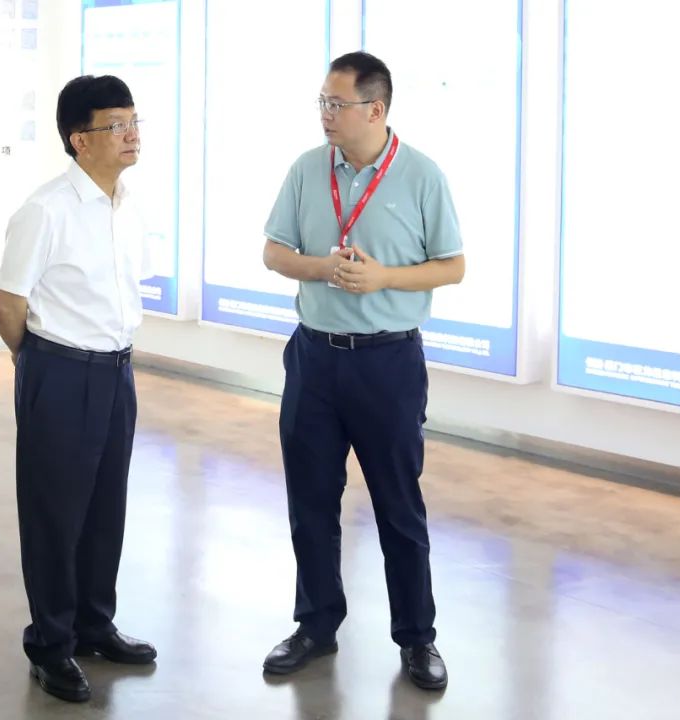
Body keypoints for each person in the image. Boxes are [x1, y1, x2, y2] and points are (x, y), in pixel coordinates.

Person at [259, 51, 465, 690]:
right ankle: (315, 625)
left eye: (337, 104)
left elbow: (452, 266)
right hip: (314, 358)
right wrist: (323, 268)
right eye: (322, 102)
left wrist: (384, 279)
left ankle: (418, 639)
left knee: (398, 507)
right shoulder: (306, 169)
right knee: (310, 502)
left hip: (387, 363)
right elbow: (274, 252)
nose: (326, 114)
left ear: (375, 110)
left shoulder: (421, 175)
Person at [0, 74, 156, 704]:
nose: (131, 134)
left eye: (134, 122)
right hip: (59, 371)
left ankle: (94, 625)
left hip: (117, 371)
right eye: (117, 125)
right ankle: (50, 644)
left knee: (105, 507)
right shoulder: (46, 209)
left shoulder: (127, 205)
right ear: (79, 139)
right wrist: (37, 363)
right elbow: (8, 303)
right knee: (54, 517)